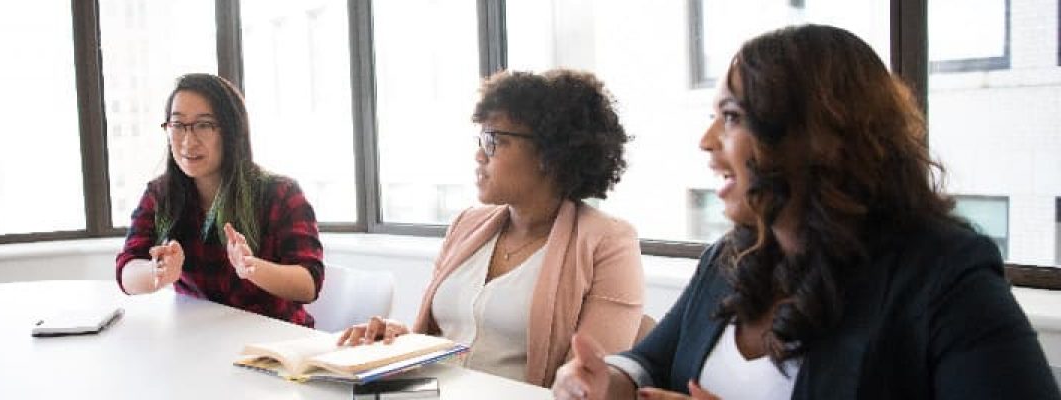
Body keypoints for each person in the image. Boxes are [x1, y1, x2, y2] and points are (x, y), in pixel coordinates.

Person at [553, 24, 1061, 400]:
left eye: (731, 118)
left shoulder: (942, 273)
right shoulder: (733, 255)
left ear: (818, 135)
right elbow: (650, 362)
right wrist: (605, 380)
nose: (707, 142)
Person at [337, 69, 644, 387]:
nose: (479, 154)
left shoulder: (608, 243)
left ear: (550, 155)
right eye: (481, 139)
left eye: (495, 140)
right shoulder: (467, 225)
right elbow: (442, 337)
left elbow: (591, 382)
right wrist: (397, 340)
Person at [115, 73, 325, 328]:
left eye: (204, 125)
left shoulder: (280, 193)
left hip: (273, 347)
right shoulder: (161, 195)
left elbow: (309, 284)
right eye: (178, 125)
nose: (188, 141)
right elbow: (127, 271)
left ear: (231, 131)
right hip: (199, 342)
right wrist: (156, 271)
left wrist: (251, 268)